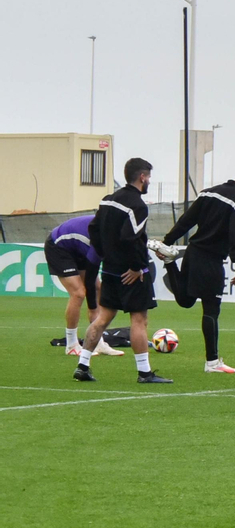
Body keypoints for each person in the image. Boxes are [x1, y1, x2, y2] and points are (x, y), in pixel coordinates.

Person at [73, 158, 170, 384]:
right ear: (142, 177)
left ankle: (83, 365)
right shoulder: (137, 205)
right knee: (139, 320)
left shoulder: (108, 200)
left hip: (110, 271)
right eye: (149, 177)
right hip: (131, 274)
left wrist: (104, 254)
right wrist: (136, 267)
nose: (149, 181)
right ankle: (144, 373)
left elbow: (93, 229)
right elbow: (129, 237)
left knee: (103, 318)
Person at [161, 165, 235, 374]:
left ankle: (170, 262)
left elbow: (186, 221)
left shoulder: (208, 192)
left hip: (193, 253)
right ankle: (213, 362)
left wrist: (167, 241)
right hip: (212, 260)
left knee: (186, 300)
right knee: (211, 309)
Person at [46, 215, 121, 357]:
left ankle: (98, 342)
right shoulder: (98, 239)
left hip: (77, 248)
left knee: (98, 288)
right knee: (78, 293)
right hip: (58, 246)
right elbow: (90, 278)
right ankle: (71, 344)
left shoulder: (114, 232)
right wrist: (92, 308)